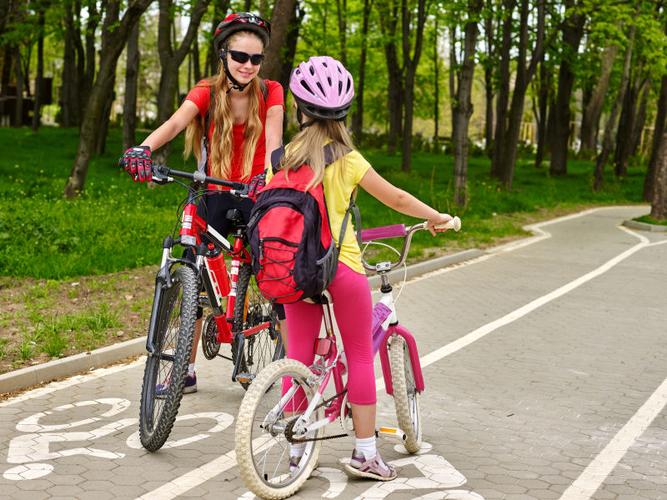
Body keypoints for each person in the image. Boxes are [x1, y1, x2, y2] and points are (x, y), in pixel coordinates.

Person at [276, 55, 454, 481]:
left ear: (299, 110)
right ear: (344, 112)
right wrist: (437, 218)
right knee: (358, 354)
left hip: (296, 269)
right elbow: (397, 200)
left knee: (298, 354)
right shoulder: (349, 160)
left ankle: (298, 453)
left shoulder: (280, 157)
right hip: (341, 268)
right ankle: (365, 453)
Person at [121, 12, 285, 394]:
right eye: (240, 57)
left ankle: (279, 355)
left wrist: (270, 175)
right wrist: (144, 147)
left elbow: (274, 139)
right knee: (193, 270)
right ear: (223, 54)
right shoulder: (207, 91)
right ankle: (185, 369)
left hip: (256, 191)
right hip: (213, 189)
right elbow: (177, 122)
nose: (247, 65)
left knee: (269, 266)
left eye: (255, 59)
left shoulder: (271, 91)